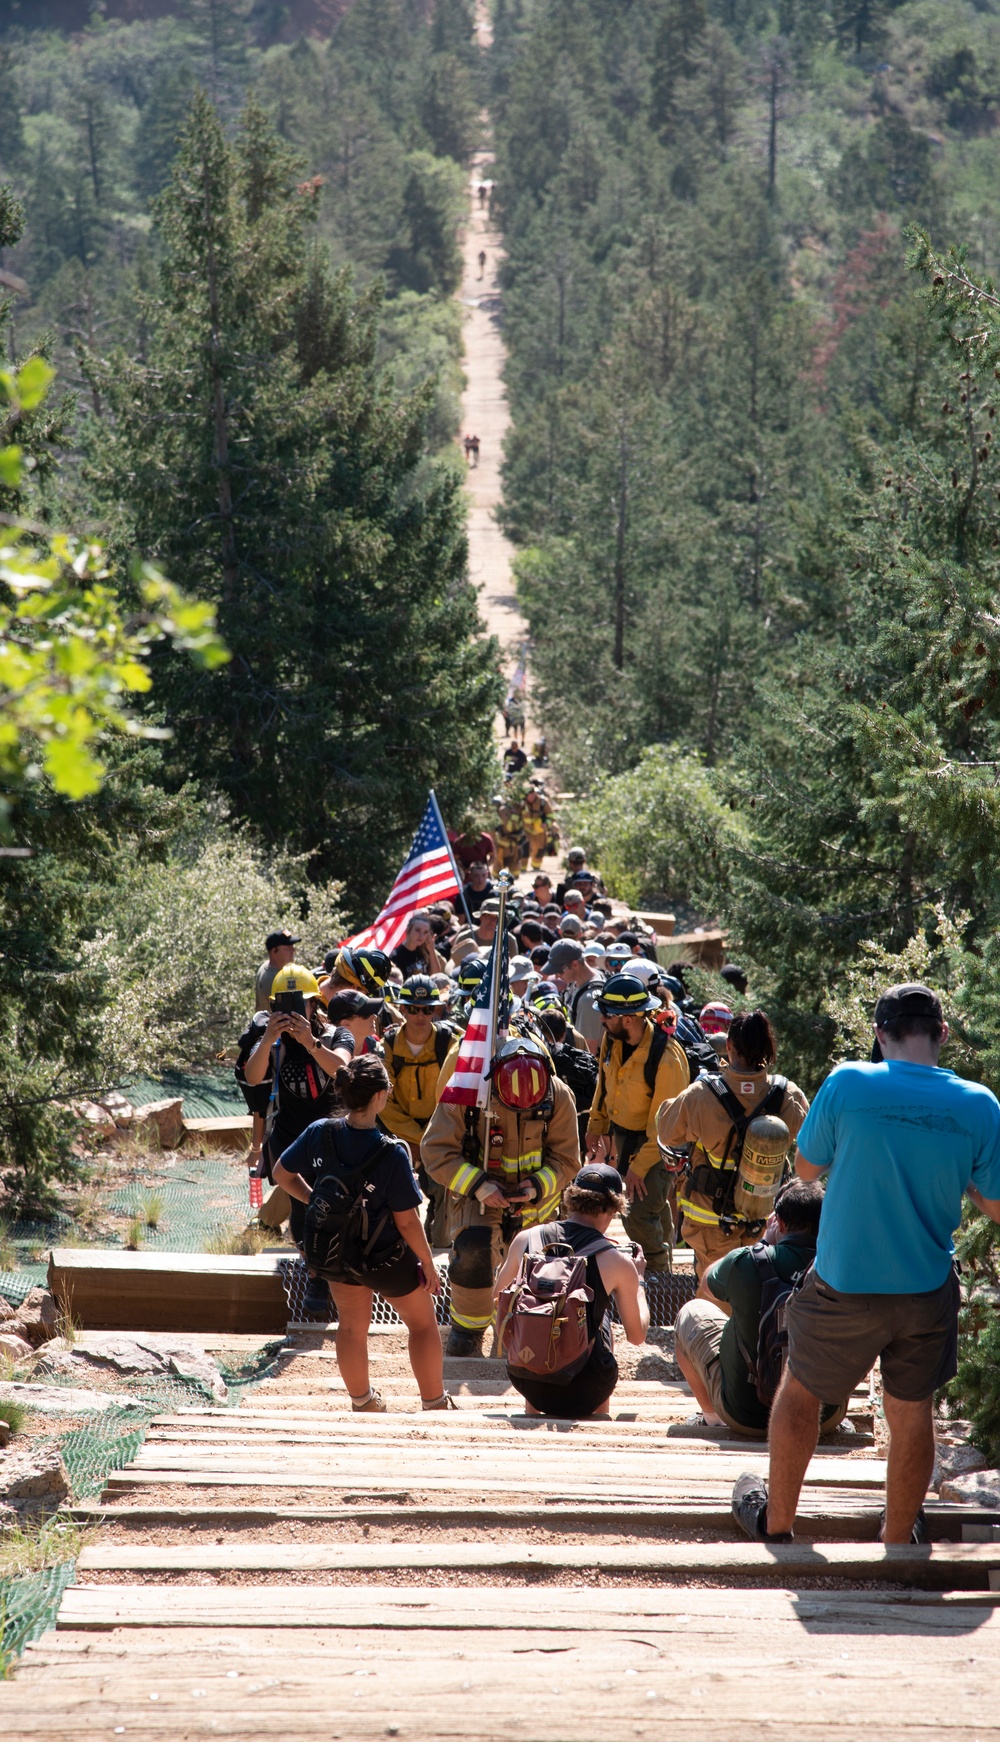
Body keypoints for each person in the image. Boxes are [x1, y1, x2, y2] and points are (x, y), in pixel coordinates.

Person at [732, 982, 1000, 1547]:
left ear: (879, 1034)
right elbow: (995, 1205)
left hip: (843, 1284)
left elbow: (806, 1169)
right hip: (926, 1288)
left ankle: (777, 1524)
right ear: (942, 1034)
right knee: (912, 1411)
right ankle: (898, 1537)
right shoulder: (979, 1104)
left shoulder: (849, 1081)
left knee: (800, 1392)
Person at [273, 1056, 454, 1412]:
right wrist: (428, 1263)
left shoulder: (320, 1131)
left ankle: (363, 1402)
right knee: (422, 1324)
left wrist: (317, 1201)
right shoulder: (392, 1152)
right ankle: (434, 1403)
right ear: (380, 1096)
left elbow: (281, 1174)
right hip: (386, 1258)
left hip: (335, 1250)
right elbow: (407, 1222)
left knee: (352, 1326)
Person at [421, 1035, 581, 1356]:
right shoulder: (463, 1090)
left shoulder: (559, 1095)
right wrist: (480, 1185)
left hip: (535, 1203)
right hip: (478, 1195)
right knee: (473, 1251)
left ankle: (530, 1328)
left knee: (539, 1267)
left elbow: (567, 1159)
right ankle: (468, 1328)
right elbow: (435, 1150)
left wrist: (535, 1187)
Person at [674, 1178, 846, 1439]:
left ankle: (713, 1418)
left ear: (781, 1223)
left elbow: (707, 1282)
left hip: (745, 1416)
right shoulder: (845, 1268)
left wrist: (764, 1243)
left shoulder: (748, 1262)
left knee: (691, 1311)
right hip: (823, 1418)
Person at [658, 1009, 809, 1279]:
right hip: (766, 1220)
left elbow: (667, 1131)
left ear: (728, 1045)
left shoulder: (701, 1095)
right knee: (761, 1290)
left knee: (715, 1294)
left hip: (711, 1221)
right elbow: (812, 1142)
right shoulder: (789, 1095)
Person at [493, 1163, 649, 1418]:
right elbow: (637, 1336)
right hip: (587, 1389)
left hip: (525, 1379)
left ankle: (532, 1412)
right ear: (614, 1208)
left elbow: (497, 1297)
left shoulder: (527, 1239)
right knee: (600, 1316)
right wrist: (639, 1280)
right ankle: (600, 1418)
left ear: (571, 1199)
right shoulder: (617, 1262)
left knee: (532, 1311)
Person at [586, 973, 689, 1273]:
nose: (602, 1020)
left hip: (658, 1147)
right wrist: (596, 1124)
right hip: (626, 1138)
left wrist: (638, 1168)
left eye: (607, 1015)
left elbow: (665, 1128)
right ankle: (664, 1266)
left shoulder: (666, 1058)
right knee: (650, 1207)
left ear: (628, 1019)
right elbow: (604, 1084)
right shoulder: (613, 1039)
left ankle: (657, 1278)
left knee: (637, 1214)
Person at [242, 965, 356, 1226]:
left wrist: (310, 1043)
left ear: (314, 1005)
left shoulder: (335, 1035)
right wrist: (268, 1038)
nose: (293, 1012)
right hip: (292, 1143)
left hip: (334, 1141)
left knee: (338, 1211)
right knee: (302, 1214)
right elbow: (253, 1077)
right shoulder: (273, 1043)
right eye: (284, 1005)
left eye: (300, 1003)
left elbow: (342, 1069)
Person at [378, 976, 457, 1247]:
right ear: (402, 1009)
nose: (420, 1016)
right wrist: (415, 1138)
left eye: (427, 1009)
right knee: (396, 1194)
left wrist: (431, 1139)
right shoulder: (388, 1045)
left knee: (443, 1230)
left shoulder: (449, 1043)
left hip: (441, 1130)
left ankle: (437, 1237)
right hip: (400, 1134)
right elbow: (384, 1101)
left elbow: (456, 1095)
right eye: (413, 1009)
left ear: (436, 1010)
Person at [547, 939, 605, 1055]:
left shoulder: (588, 1000)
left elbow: (588, 1052)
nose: (557, 977)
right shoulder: (576, 982)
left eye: (560, 972)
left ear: (575, 964)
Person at [390, 911, 447, 979]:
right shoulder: (396, 956)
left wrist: (431, 950)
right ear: (408, 930)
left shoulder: (425, 950)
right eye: (418, 930)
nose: (421, 936)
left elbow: (436, 975)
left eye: (425, 932)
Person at [254, 928, 301, 1011]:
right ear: (274, 951)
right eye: (288, 948)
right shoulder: (277, 979)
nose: (293, 950)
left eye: (292, 946)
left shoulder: (264, 967)